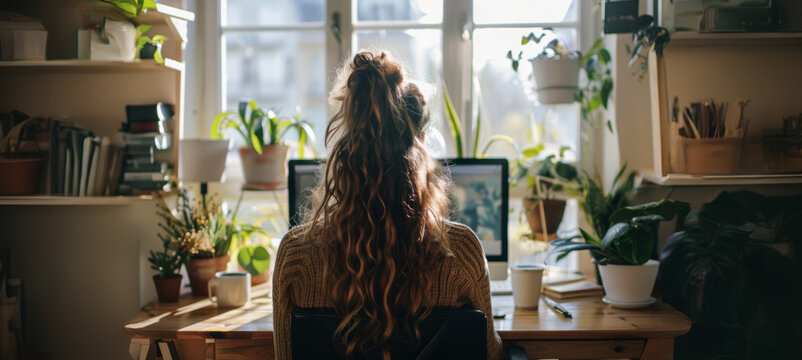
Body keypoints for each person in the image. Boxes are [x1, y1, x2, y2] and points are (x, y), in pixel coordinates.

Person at [272, 51, 502, 360]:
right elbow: (489, 354)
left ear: (350, 145)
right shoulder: (461, 253)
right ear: (420, 145)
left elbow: (285, 356)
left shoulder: (296, 258)